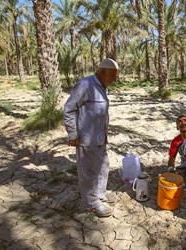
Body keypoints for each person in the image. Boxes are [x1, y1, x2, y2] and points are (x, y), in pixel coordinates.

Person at [64, 58, 119, 217]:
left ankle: (100, 194)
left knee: (102, 166)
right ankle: (91, 202)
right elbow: (69, 109)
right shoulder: (85, 85)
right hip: (86, 138)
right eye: (113, 75)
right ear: (102, 72)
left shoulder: (102, 86)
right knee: (88, 171)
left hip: (100, 137)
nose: (115, 79)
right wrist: (73, 134)